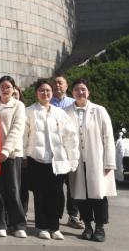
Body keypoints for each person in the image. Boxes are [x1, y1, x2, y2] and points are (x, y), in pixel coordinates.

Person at [23, 79, 79, 240]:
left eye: (48, 90)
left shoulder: (59, 113)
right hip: (37, 160)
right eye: (41, 90)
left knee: (56, 195)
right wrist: (24, 155)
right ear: (36, 93)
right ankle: (42, 227)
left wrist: (72, 159)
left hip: (57, 161)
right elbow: (24, 136)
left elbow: (70, 137)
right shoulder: (29, 111)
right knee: (40, 195)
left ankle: (54, 227)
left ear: (52, 93)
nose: (45, 93)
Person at [65, 79, 116, 242]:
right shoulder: (66, 112)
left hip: (96, 160)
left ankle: (100, 227)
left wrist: (109, 161)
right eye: (77, 89)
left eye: (83, 89)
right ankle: (87, 226)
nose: (80, 92)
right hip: (77, 161)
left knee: (99, 195)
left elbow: (108, 137)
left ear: (88, 92)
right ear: (72, 92)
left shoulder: (99, 110)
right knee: (81, 195)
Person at [0, 76, 27, 238]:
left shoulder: (18, 105)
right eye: (2, 86)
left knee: (13, 189)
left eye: (8, 86)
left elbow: (17, 129)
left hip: (12, 155)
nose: (5, 89)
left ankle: (18, 224)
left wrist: (6, 150)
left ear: (13, 88)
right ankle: (0, 224)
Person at [51, 74, 82, 229]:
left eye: (60, 83)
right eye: (55, 83)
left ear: (66, 86)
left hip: (70, 150)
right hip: (54, 152)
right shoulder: (47, 102)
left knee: (72, 185)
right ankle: (55, 215)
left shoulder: (73, 103)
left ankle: (73, 215)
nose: (58, 85)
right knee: (56, 187)